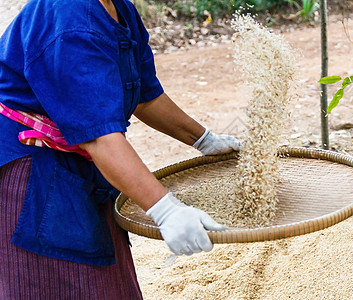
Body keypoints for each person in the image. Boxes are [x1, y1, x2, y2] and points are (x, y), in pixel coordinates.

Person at [0, 0, 240, 298]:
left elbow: (145, 96)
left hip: (86, 166)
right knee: (58, 282)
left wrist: (204, 139)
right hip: (34, 175)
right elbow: (100, 138)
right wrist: (166, 210)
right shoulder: (71, 19)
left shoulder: (119, 8)